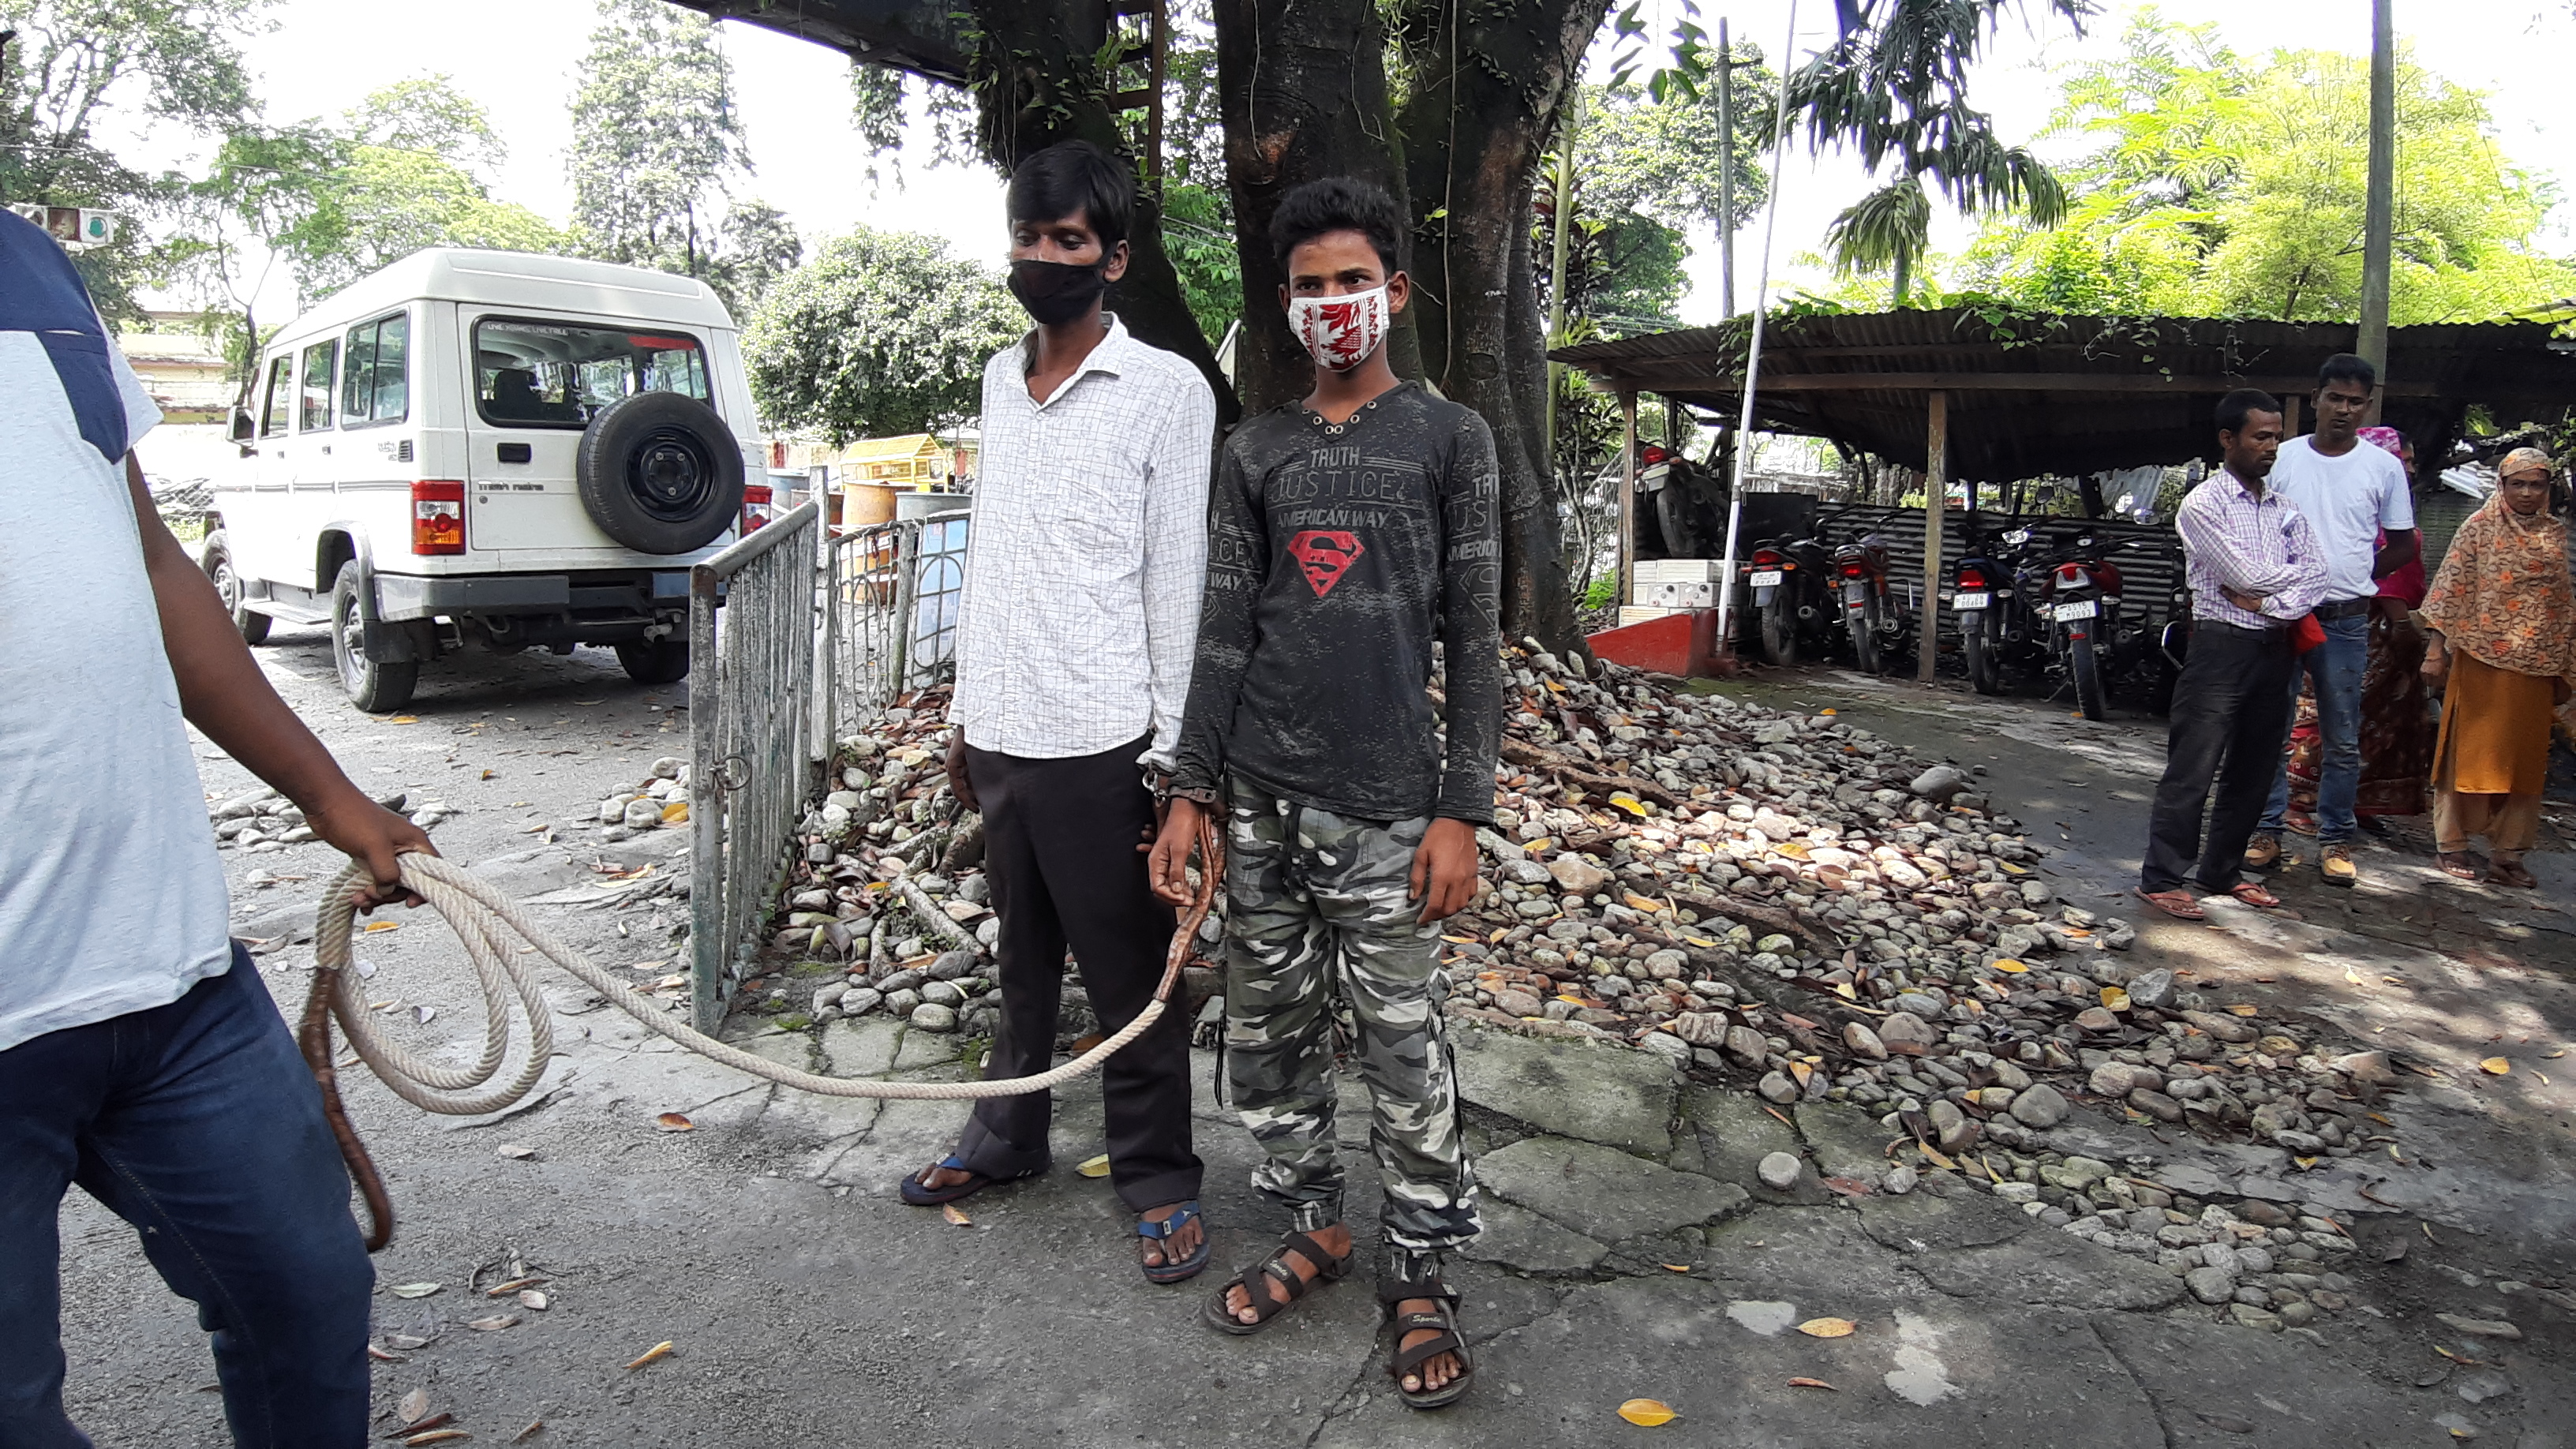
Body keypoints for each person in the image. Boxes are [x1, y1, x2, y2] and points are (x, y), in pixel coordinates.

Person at [1, 209, 432, 1443]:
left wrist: (333, 796)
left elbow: (149, 567)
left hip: (167, 974)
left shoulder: (35, 267)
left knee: (306, 1293)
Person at [1148, 177, 1498, 1410]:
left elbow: (1478, 638)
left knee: (1405, 1053)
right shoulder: (1258, 450)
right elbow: (1225, 626)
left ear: (1395, 293)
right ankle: (1316, 1225)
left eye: (1353, 281)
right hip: (1259, 801)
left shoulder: (1452, 440)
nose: (1332, 305)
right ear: (1284, 308)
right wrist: (1192, 791)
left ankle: (1421, 1273)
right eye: (1309, 288)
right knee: (1269, 1044)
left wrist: (1464, 808)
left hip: (1392, 807)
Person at [902, 140, 1220, 1285]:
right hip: (999, 731)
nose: (1044, 259)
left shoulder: (1169, 395)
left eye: (1069, 242)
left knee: (1131, 975)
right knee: (1022, 964)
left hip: (1103, 740)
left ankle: (1158, 1178)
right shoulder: (1000, 378)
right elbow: (997, 557)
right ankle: (1008, 1136)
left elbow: (1175, 582)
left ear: (1115, 258)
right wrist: (963, 711)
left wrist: (1184, 774)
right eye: (1029, 240)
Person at [2138, 389, 2329, 921]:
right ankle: (2162, 877)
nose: (2272, 447)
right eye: (2260, 436)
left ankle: (2221, 870)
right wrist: (2273, 587)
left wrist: (2268, 596)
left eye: (2276, 437)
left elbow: (2318, 575)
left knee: (2256, 767)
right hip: (2222, 647)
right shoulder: (2204, 505)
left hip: (2275, 650)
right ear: (2229, 440)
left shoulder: (2286, 509)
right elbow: (2241, 575)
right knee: (2194, 766)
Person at [2243, 354, 2418, 887]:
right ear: (2316, 398)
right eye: (2335, 398)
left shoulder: (2383, 468)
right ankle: (2266, 830)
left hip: (2344, 619)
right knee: (2271, 725)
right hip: (2285, 615)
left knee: (2342, 735)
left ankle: (2336, 838)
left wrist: (2357, 570)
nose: (2344, 410)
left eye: (2355, 402)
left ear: (2367, 406)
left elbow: (2404, 545)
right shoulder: (2286, 458)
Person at [2419, 448, 2576, 889]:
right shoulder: (2478, 529)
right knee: (2466, 755)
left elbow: (2563, 604)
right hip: (2480, 660)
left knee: (2525, 763)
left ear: (2548, 490)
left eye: (2536, 485)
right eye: (2517, 484)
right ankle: (2451, 844)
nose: (2527, 493)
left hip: (2538, 667)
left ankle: (2508, 854)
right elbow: (2451, 586)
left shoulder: (2556, 535)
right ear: (2502, 486)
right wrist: (2436, 650)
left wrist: (2565, 662)